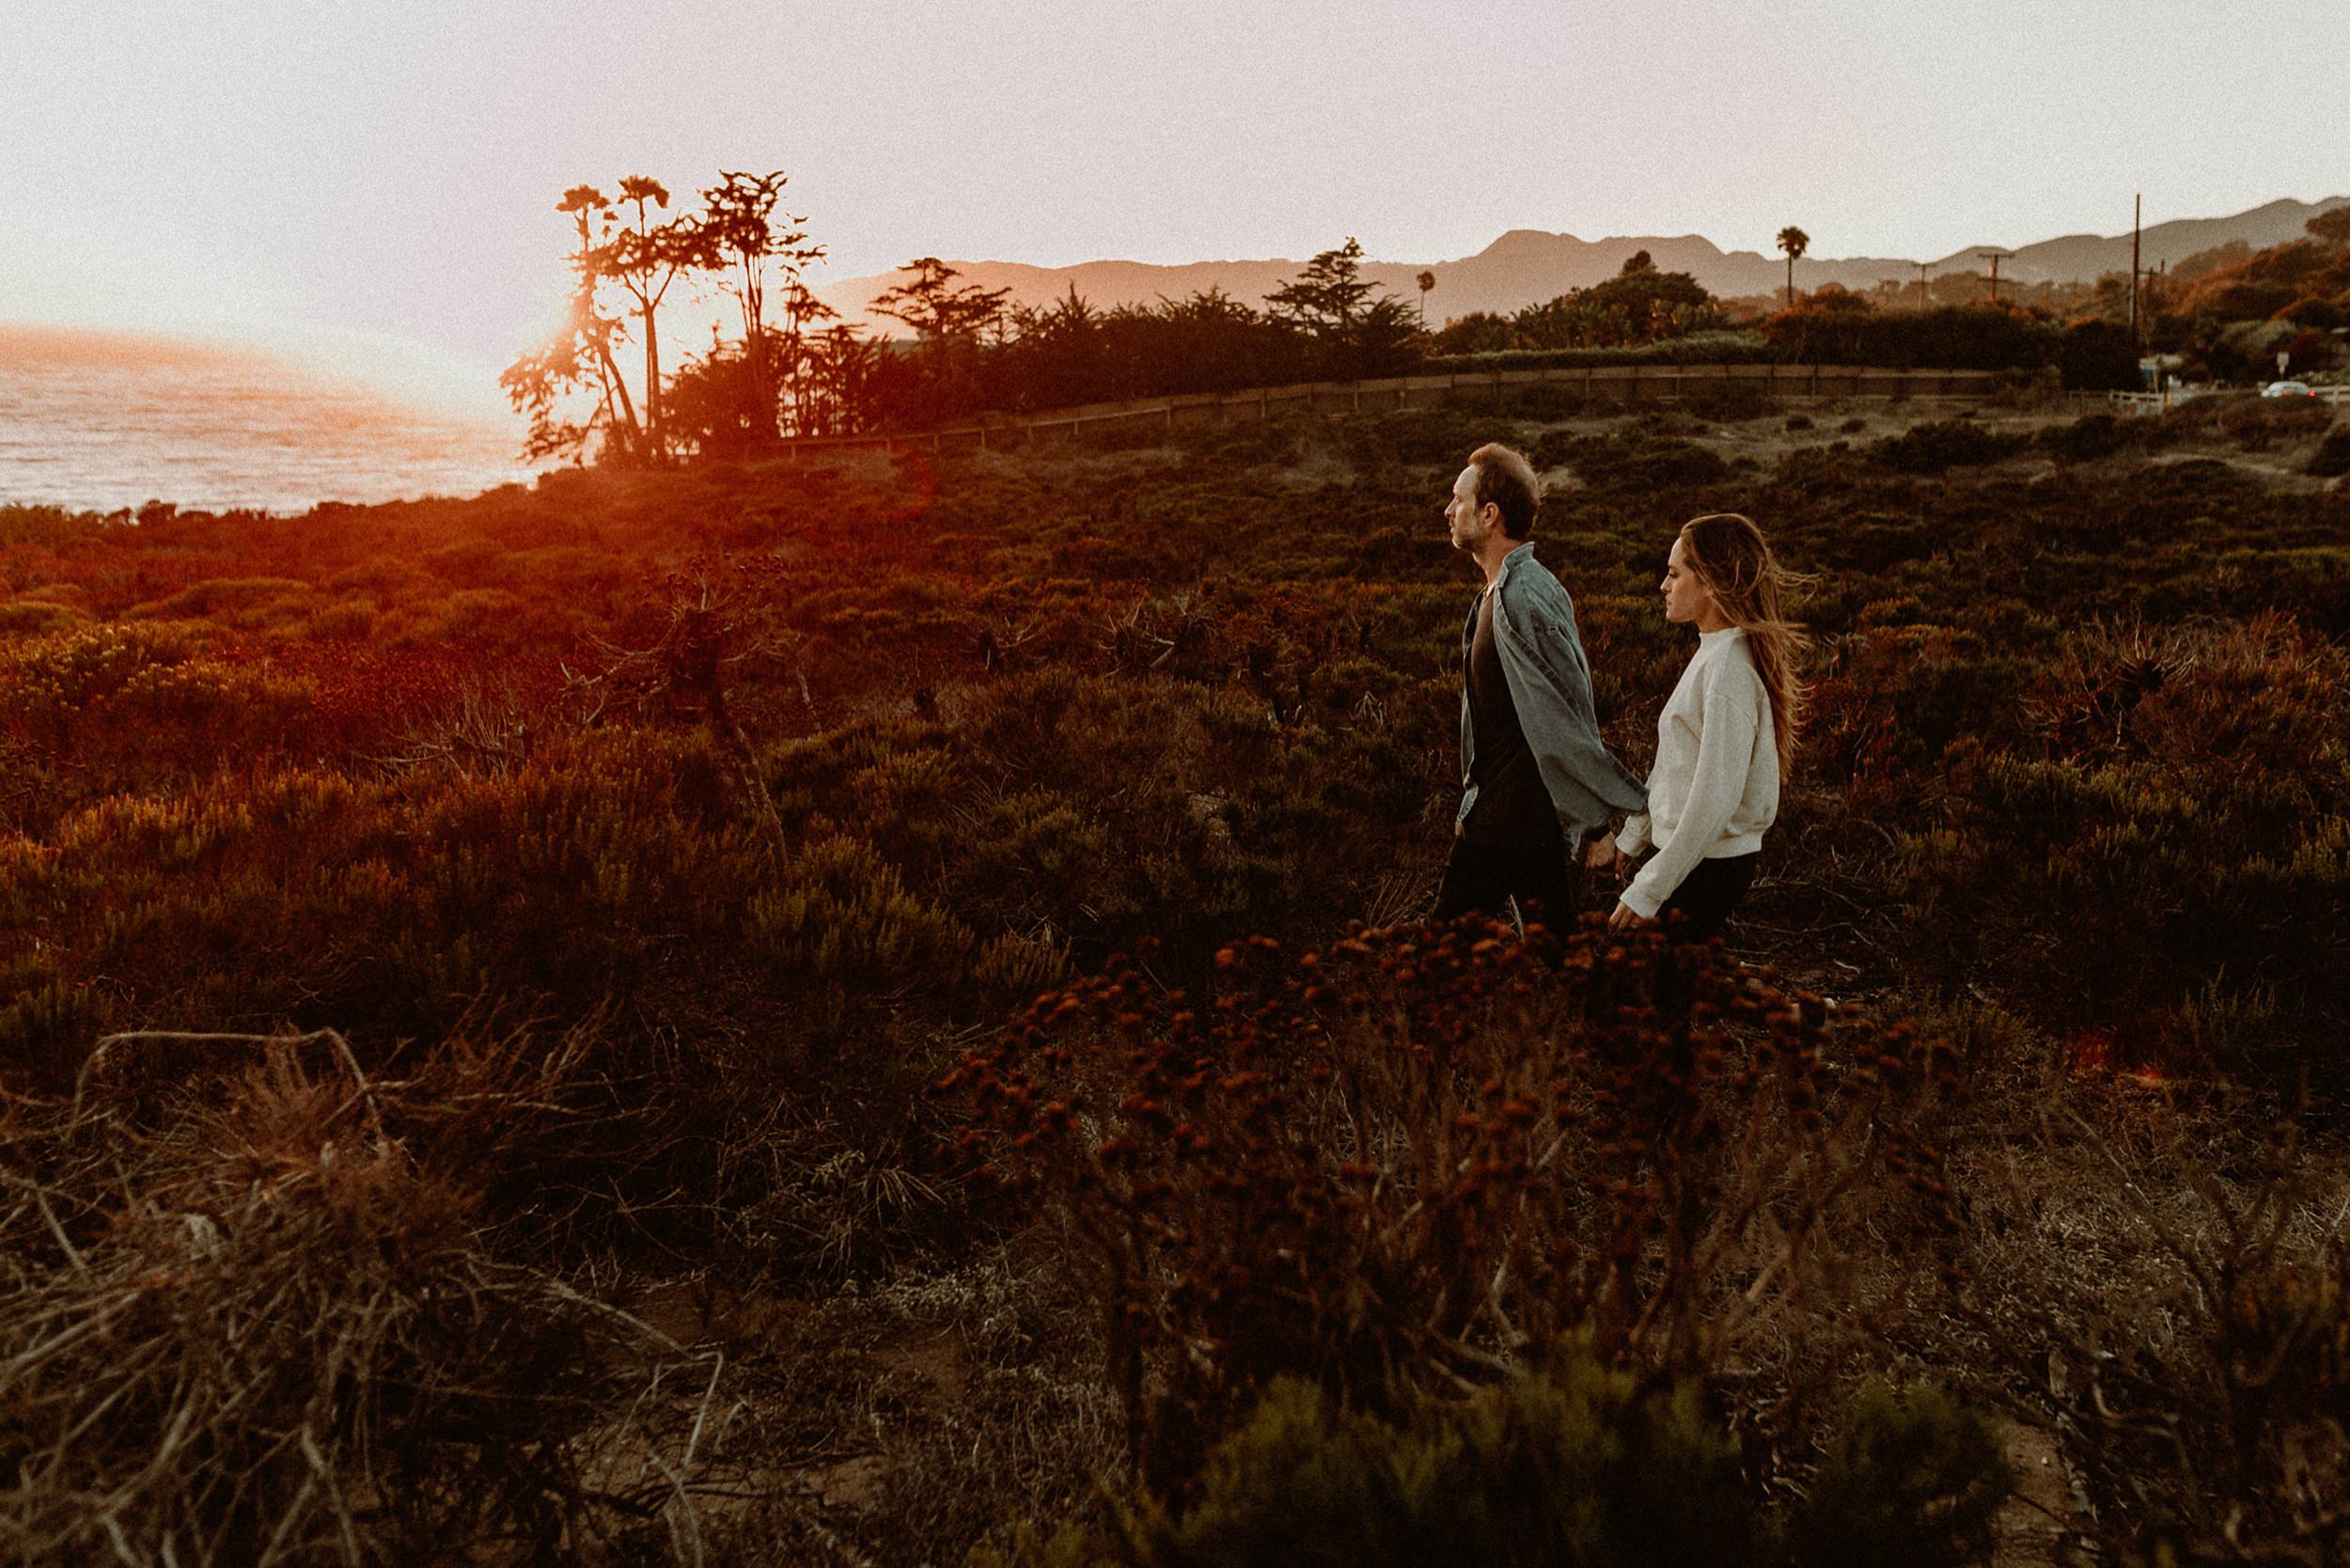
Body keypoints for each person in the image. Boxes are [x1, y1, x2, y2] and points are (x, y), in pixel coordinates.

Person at [1433, 443, 1647, 931]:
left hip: (1507, 825)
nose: (1448, 511)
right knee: (1561, 965)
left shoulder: (1525, 597)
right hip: (1522, 825)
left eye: (1458, 500)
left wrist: (1596, 824)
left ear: (1490, 515)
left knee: (1435, 961)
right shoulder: (1497, 594)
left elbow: (1567, 712)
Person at [1589, 512, 1807, 942]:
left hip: (1708, 867)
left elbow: (1715, 798)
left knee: (1656, 995)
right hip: (1695, 860)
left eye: (1674, 574)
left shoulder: (1727, 668)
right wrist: (1634, 838)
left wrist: (1649, 888)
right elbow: (1676, 769)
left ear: (1709, 582)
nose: (1663, 586)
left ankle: (1805, 1011)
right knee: (1673, 989)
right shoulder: (1715, 652)